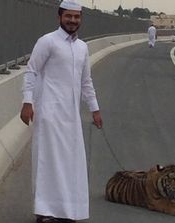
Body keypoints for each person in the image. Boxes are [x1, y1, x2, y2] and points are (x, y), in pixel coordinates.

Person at [20, 0, 102, 222]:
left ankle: (68, 211)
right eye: (68, 16)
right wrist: (27, 102)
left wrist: (94, 109)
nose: (73, 21)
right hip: (49, 113)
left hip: (71, 117)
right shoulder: (48, 42)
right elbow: (31, 72)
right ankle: (44, 212)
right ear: (59, 17)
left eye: (76, 17)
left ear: (80, 19)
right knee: (47, 163)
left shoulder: (82, 47)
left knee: (70, 164)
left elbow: (86, 81)